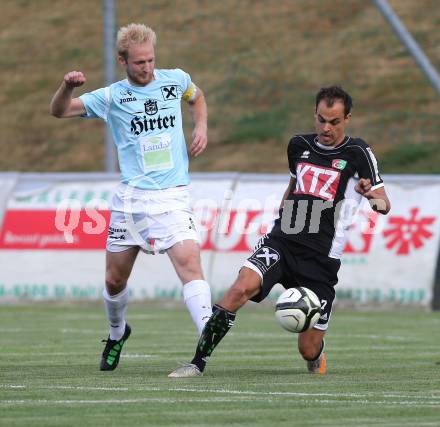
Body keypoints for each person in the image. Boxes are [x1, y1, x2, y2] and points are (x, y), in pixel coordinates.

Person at [168, 85, 391, 378]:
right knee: (239, 288)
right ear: (314, 114)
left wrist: (369, 194)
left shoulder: (358, 152)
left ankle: (317, 355)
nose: (326, 127)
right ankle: (197, 363)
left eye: (334, 121)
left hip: (319, 261)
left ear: (347, 118)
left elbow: (383, 203)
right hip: (282, 243)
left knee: (307, 349)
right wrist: (275, 228)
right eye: (321, 119)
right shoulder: (298, 145)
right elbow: (292, 188)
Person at [50, 23, 212, 371]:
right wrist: (66, 86)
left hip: (172, 196)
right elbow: (60, 111)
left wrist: (200, 125)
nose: (147, 67)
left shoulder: (175, 80)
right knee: (114, 280)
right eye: (139, 62)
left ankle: (208, 337)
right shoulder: (111, 97)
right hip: (131, 201)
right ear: (122, 60)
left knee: (190, 265)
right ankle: (116, 332)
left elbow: (197, 96)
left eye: (151, 60)